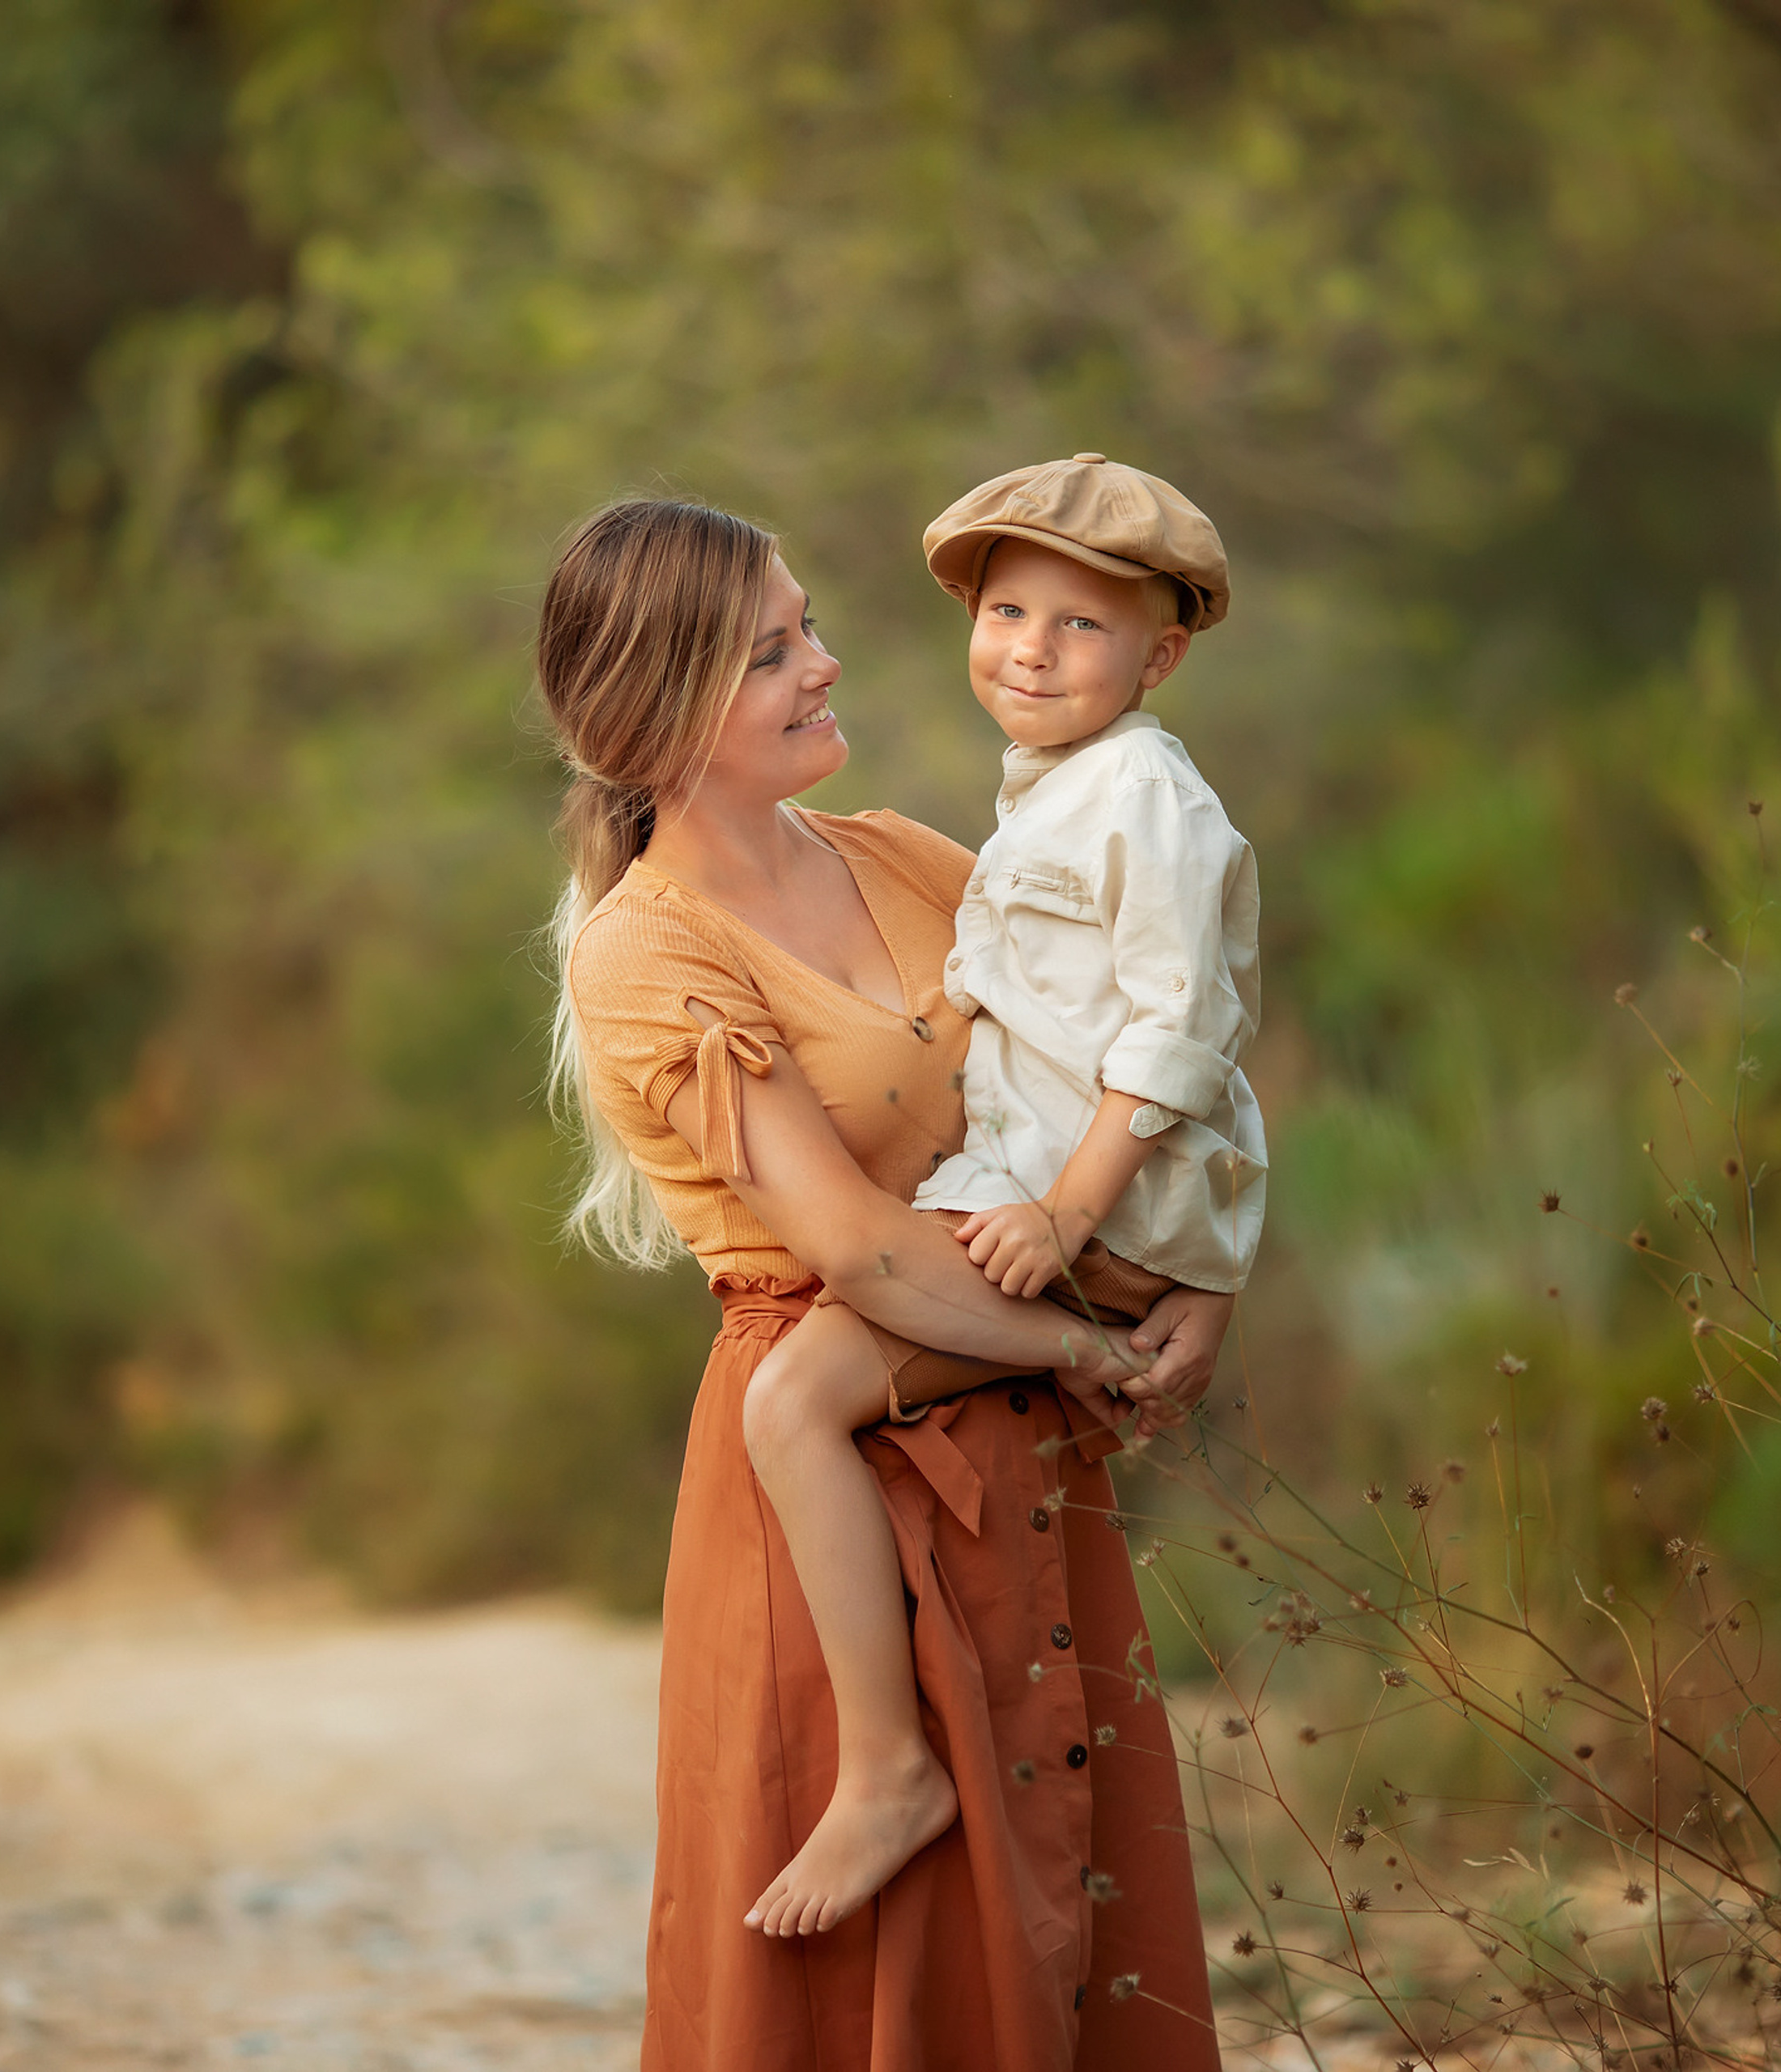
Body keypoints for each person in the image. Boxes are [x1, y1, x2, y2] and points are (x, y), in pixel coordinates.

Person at [548, 495, 1227, 2072]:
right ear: (658, 702)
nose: (826, 664)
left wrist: (1195, 1277)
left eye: (809, 628)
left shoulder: (916, 860)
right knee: (884, 1967)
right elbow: (850, 1245)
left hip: (1016, 1440)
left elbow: (1107, 1071)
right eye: (774, 649)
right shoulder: (643, 951)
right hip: (828, 1479)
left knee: (1067, 1907)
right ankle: (880, 1765)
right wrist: (1082, 1340)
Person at [740, 455, 1268, 1941]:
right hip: (1057, 1198)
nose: (1031, 648)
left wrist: (1075, 1222)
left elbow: (1183, 1031)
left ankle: (889, 1771)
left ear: (1162, 655)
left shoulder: (1143, 799)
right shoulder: (1057, 794)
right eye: (1009, 608)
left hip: (1069, 1213)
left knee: (786, 1405)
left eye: (1083, 626)